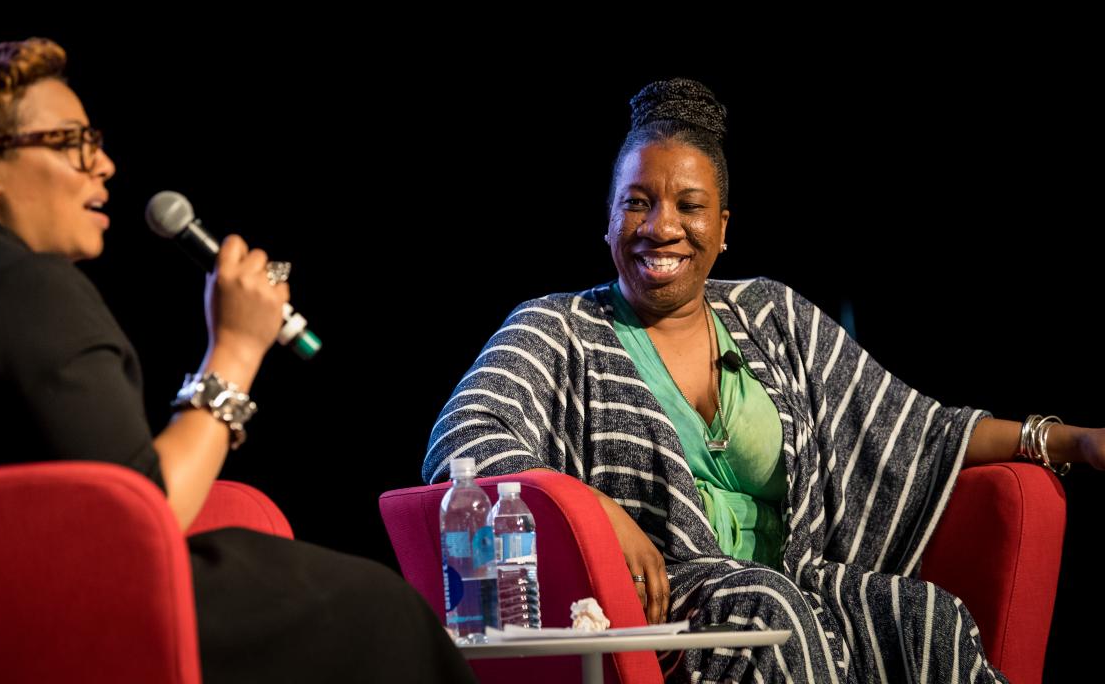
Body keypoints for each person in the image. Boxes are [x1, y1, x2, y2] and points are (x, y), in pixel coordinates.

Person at [423, 77, 1105, 682]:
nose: (661, 227)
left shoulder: (771, 317)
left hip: (796, 588)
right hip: (653, 613)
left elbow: (918, 431)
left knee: (919, 614)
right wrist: (588, 506)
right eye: (636, 202)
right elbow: (464, 439)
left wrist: (1072, 442)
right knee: (763, 608)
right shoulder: (557, 328)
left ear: (722, 229)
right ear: (606, 222)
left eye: (689, 206)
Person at [0, 38, 475, 684]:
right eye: (72, 143)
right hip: (52, 615)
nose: (106, 165)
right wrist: (236, 346)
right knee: (378, 609)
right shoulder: (28, 287)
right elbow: (139, 517)